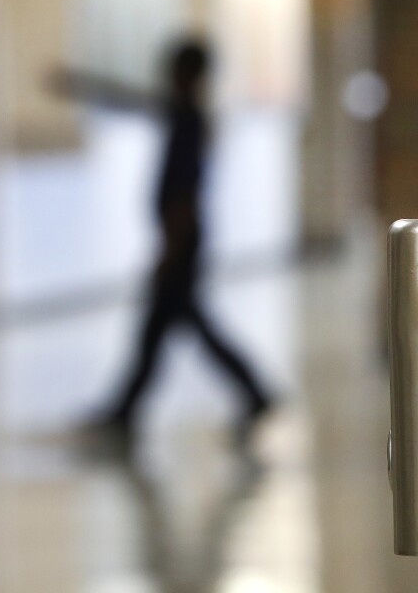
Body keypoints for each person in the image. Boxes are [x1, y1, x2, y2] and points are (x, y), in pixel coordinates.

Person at [54, 39, 270, 436]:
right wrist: (82, 85)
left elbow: (182, 197)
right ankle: (251, 393)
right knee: (173, 330)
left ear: (188, 74)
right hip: (183, 239)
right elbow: (132, 99)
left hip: (182, 240)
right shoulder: (185, 114)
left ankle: (252, 393)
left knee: (168, 330)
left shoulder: (188, 120)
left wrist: (170, 252)